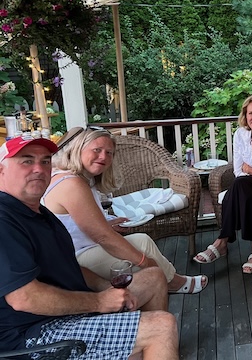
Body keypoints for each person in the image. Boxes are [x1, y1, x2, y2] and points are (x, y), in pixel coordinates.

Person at [0, 135, 178, 358]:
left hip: (70, 312)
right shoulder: (5, 219)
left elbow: (68, 265)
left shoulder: (38, 213)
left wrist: (107, 289)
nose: (38, 169)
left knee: (153, 277)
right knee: (161, 327)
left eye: (45, 161)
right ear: (1, 170)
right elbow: (24, 298)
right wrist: (99, 301)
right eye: (26, 161)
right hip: (33, 337)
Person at [41, 127, 208, 294]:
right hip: (73, 261)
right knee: (144, 263)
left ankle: (170, 281)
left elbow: (75, 225)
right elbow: (103, 237)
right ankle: (168, 284)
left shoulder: (79, 178)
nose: (103, 157)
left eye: (109, 153)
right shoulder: (71, 184)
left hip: (80, 249)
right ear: (78, 148)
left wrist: (108, 224)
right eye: (97, 150)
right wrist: (144, 261)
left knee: (143, 241)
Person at [194, 94, 252, 274]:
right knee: (243, 188)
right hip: (248, 184)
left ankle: (223, 241)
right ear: (245, 116)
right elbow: (238, 170)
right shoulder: (240, 134)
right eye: (251, 113)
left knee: (239, 185)